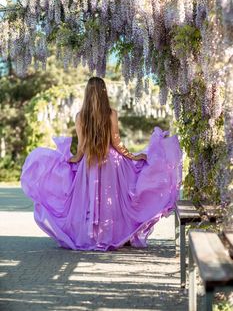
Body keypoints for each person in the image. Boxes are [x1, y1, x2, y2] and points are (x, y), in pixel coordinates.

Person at [21, 76, 182, 251]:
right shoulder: (111, 113)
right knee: (112, 200)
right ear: (104, 92)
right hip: (110, 163)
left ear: (87, 94)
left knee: (91, 200)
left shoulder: (80, 116)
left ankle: (92, 236)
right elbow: (117, 142)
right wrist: (133, 157)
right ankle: (111, 235)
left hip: (89, 163)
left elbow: (82, 147)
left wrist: (71, 160)